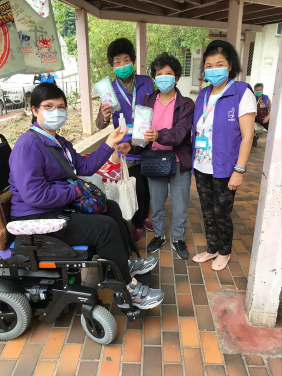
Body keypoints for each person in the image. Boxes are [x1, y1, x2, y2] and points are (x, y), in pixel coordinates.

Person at [8, 83, 164, 310]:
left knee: (111, 207)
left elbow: (86, 167)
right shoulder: (28, 145)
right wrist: (75, 191)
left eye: (60, 107)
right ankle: (127, 291)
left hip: (56, 207)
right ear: (34, 110)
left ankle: (125, 262)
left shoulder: (58, 142)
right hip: (36, 217)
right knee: (104, 227)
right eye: (48, 106)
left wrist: (110, 143)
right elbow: (34, 195)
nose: (56, 111)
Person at [118, 53, 194, 259]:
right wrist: (129, 146)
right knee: (157, 204)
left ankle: (178, 238)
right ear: (154, 77)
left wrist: (159, 134)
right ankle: (159, 235)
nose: (164, 78)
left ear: (176, 78)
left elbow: (181, 133)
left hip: (178, 162)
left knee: (180, 205)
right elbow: (141, 136)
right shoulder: (147, 101)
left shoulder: (186, 104)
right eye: (159, 74)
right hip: (154, 161)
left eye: (168, 74)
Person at [191, 40, 256, 271]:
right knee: (207, 210)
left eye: (219, 64)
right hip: (201, 165)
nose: (213, 69)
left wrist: (239, 170)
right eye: (208, 65)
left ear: (229, 66)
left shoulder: (241, 92)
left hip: (225, 167)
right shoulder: (204, 94)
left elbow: (247, 136)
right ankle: (212, 248)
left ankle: (225, 251)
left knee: (222, 212)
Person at [95, 38, 154, 243]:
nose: (122, 65)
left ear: (133, 61)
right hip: (126, 146)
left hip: (148, 140)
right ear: (112, 65)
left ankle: (145, 216)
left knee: (148, 184)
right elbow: (100, 125)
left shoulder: (146, 81)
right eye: (117, 62)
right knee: (136, 185)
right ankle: (137, 223)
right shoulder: (108, 89)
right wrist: (103, 115)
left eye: (126, 60)